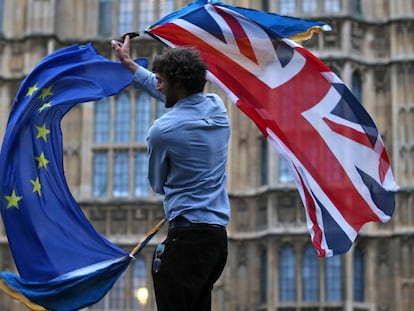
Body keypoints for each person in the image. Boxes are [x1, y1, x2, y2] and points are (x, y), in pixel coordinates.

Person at [111, 35, 231, 311]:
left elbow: (157, 183)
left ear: (177, 84)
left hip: (186, 240)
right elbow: (181, 99)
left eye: (162, 80)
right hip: (215, 241)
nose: (159, 85)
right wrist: (130, 65)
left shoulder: (162, 131)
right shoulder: (217, 108)